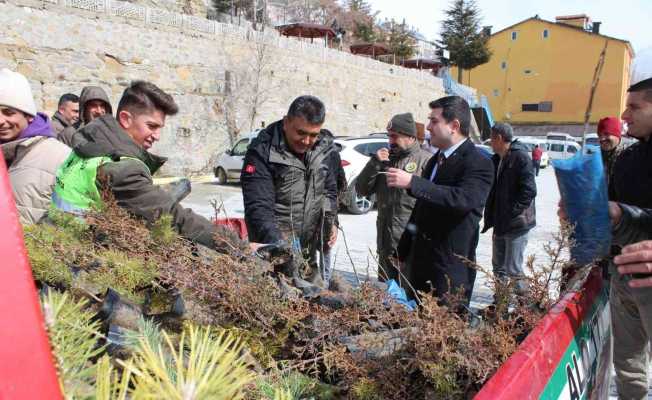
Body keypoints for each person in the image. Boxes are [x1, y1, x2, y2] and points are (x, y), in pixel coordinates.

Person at [51, 80, 248, 253]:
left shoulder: (90, 146)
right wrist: (237, 246)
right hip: (79, 259)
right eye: (151, 126)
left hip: (58, 243)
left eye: (160, 128)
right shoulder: (122, 168)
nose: (157, 136)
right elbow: (174, 218)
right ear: (126, 119)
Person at [386, 96, 494, 305]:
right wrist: (402, 251)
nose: (428, 128)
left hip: (449, 271)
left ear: (454, 125)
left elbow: (462, 199)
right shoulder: (436, 160)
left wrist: (413, 183)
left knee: (444, 333)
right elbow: (420, 209)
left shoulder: (478, 162)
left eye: (434, 121)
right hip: (420, 266)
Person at [241, 95, 338, 286]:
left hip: (308, 250)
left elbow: (330, 188)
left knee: (315, 298)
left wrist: (332, 221)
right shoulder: (262, 151)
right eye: (301, 133)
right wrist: (283, 251)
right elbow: (259, 209)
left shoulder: (324, 147)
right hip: (275, 252)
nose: (306, 141)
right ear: (286, 122)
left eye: (313, 135)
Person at [603, 75, 652, 399]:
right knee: (628, 365)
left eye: (634, 107)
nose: (624, 116)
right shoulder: (627, 160)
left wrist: (622, 214)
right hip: (624, 277)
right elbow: (612, 211)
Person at [356, 113, 432, 282]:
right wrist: (374, 163)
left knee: (408, 299)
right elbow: (361, 190)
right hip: (386, 245)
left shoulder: (426, 161)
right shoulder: (385, 161)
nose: (390, 141)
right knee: (386, 297)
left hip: (410, 248)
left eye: (395, 136)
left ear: (411, 137)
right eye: (389, 136)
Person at [0, 68, 71, 224]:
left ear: (29, 115)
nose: (0, 121)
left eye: (8, 112)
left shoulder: (61, 157)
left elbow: (71, 222)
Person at [482, 123, 536, 298]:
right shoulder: (497, 159)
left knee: (513, 268)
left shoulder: (520, 158)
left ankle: (527, 310)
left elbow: (529, 191)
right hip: (500, 223)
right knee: (498, 268)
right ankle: (500, 306)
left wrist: (512, 212)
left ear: (498, 138)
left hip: (516, 224)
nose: (490, 142)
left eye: (491, 137)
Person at [596, 116, 624, 194]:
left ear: (617, 135)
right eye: (599, 135)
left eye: (606, 134)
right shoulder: (595, 158)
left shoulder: (629, 157)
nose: (602, 139)